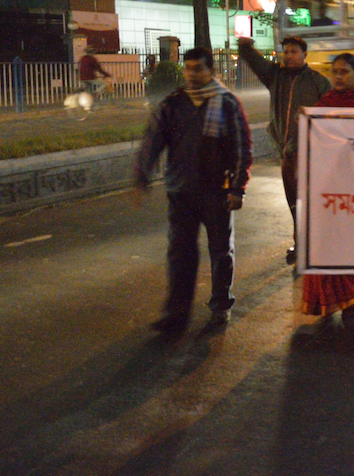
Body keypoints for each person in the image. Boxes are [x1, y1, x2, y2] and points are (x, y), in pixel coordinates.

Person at [133, 47, 252, 334]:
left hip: (217, 193)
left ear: (211, 71)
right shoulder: (173, 103)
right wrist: (141, 177)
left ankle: (220, 306)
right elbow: (153, 141)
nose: (192, 74)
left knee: (221, 252)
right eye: (188, 68)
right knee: (180, 254)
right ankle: (176, 314)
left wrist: (238, 188)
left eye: (198, 68)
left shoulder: (226, 104)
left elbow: (241, 148)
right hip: (181, 191)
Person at [302, 53, 354, 322]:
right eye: (334, 71)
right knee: (327, 245)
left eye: (344, 72)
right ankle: (328, 300)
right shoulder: (326, 104)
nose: (338, 76)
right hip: (328, 190)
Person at [238, 36, 331, 263]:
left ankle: (316, 244)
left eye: (294, 52)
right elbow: (258, 64)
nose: (288, 56)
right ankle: (301, 244)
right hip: (286, 152)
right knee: (293, 200)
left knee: (310, 201)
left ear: (304, 55)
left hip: (310, 153)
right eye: (286, 52)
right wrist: (246, 48)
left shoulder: (318, 81)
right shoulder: (276, 77)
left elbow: (332, 113)